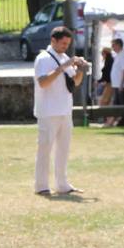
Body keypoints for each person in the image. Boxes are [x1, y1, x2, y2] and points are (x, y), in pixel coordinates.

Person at [33, 27, 89, 195]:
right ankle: (41, 185)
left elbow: (75, 82)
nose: (65, 47)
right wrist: (62, 67)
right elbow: (43, 82)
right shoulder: (43, 58)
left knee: (63, 150)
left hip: (64, 110)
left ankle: (62, 184)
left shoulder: (64, 57)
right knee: (45, 149)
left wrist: (80, 69)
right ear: (53, 40)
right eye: (63, 43)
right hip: (48, 111)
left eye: (68, 44)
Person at [107, 37, 124, 127]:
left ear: (118, 45)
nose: (112, 47)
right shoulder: (118, 55)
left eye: (113, 45)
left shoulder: (123, 55)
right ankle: (115, 121)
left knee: (123, 105)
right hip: (118, 85)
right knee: (117, 104)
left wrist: (121, 84)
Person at [96, 45, 115, 109]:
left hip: (110, 83)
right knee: (106, 101)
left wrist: (100, 81)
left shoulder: (109, 61)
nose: (102, 55)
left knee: (104, 102)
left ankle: (106, 117)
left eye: (102, 53)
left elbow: (107, 73)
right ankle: (106, 118)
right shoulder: (109, 60)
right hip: (109, 83)